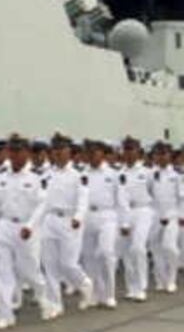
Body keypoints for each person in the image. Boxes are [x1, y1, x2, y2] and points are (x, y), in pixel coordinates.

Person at [0, 135, 54, 327]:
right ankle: (5, 313)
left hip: (27, 227)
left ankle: (45, 300)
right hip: (5, 226)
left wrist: (30, 226)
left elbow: (43, 205)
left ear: (27, 152)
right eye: (12, 151)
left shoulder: (37, 177)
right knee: (2, 271)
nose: (14, 155)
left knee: (30, 270)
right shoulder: (0, 176)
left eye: (18, 151)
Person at [41, 134, 95, 316]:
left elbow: (83, 198)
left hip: (69, 221)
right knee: (49, 264)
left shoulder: (79, 174)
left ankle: (84, 283)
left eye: (61, 150)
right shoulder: (47, 173)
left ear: (68, 151)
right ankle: (55, 304)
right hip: (49, 220)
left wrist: (79, 217)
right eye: (55, 150)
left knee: (68, 263)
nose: (57, 153)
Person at [80, 140, 129, 308]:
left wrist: (125, 222)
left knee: (106, 253)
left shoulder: (113, 174)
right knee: (88, 257)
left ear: (102, 154)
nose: (92, 156)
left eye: (96, 152)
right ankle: (93, 293)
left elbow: (121, 200)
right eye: (90, 153)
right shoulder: (82, 173)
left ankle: (109, 294)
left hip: (107, 215)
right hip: (88, 216)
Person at [119, 137, 154, 301]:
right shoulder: (119, 172)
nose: (128, 153)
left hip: (143, 210)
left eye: (131, 149)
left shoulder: (147, 172)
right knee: (126, 251)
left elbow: (155, 194)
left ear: (138, 151)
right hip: (125, 212)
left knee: (138, 248)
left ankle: (141, 287)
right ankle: (131, 287)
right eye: (126, 149)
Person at [149, 141, 181, 293]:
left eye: (164, 154)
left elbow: (181, 198)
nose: (161, 157)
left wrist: (181, 215)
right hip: (155, 216)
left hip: (171, 215)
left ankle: (172, 278)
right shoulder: (151, 174)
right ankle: (160, 279)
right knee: (155, 249)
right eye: (158, 154)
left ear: (170, 156)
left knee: (169, 247)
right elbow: (147, 194)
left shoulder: (177, 175)